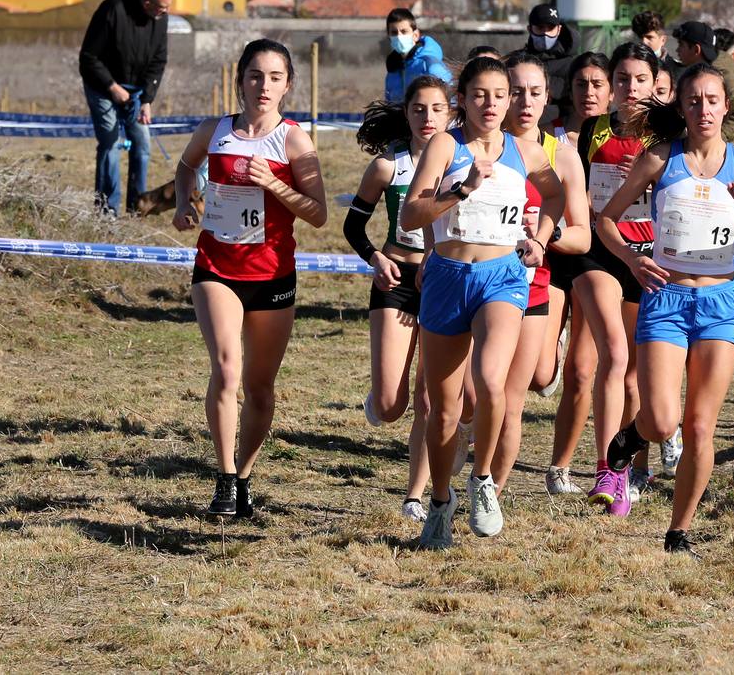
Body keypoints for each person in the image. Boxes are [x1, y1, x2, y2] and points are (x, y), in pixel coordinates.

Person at [596, 64, 734, 555]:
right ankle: (631, 437)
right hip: (665, 296)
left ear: (726, 105)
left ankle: (678, 531)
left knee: (701, 425)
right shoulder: (659, 159)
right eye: (694, 101)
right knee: (664, 421)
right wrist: (634, 259)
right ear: (682, 108)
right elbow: (605, 219)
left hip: (719, 301)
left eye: (712, 100)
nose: (704, 109)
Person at [399, 56, 563, 550]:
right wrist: (461, 189)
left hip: (503, 277)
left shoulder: (526, 151)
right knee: (443, 410)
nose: (491, 105)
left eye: (500, 95)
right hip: (449, 276)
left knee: (492, 383)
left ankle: (484, 480)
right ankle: (442, 501)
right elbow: (411, 213)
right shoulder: (445, 145)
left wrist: (541, 239)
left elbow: (556, 197)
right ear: (463, 100)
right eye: (479, 95)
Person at [173, 39, 328, 517]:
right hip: (217, 267)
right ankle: (222, 479)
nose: (264, 86)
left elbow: (319, 214)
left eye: (275, 77)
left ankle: (243, 476)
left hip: (272, 274)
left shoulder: (295, 140)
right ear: (240, 80)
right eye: (255, 75)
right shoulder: (215, 129)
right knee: (226, 369)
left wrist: (275, 184)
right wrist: (184, 200)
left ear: (288, 86)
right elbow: (185, 167)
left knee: (260, 387)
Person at [344, 76, 453, 523]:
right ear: (406, 114)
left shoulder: (460, 163)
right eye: (419, 109)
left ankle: (415, 495)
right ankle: (380, 399)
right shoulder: (389, 167)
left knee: (428, 398)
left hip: (442, 280)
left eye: (437, 109)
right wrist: (375, 259)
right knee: (393, 406)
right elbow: (353, 226)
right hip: (395, 280)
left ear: (451, 114)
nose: (427, 118)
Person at [557, 43, 658, 512]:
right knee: (613, 356)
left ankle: (635, 463)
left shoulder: (666, 138)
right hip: (598, 254)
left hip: (648, 257)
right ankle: (606, 471)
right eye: (622, 79)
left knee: (635, 373)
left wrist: (649, 180)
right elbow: (571, 192)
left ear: (655, 84)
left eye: (639, 79)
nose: (630, 88)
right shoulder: (590, 131)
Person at [490, 52, 591, 497]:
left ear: (548, 98)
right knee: (476, 395)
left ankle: (488, 491)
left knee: (525, 387)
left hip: (533, 282)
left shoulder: (562, 157)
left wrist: (543, 236)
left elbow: (583, 238)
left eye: (534, 92)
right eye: (515, 92)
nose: (524, 102)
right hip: (475, 281)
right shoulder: (477, 147)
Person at [79, 0, 172, 216]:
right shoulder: (112, 9)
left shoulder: (160, 19)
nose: (165, 12)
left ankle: (137, 208)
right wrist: (112, 87)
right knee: (110, 143)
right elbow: (89, 57)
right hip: (102, 86)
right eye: (161, 7)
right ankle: (106, 209)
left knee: (142, 145)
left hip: (136, 92)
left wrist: (147, 100)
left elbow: (158, 61)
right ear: (147, 2)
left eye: (167, 8)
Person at [672, 21, 734, 141]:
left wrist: (712, 140)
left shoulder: (725, 77)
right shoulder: (688, 74)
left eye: (681, 45)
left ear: (696, 50)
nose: (677, 50)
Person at [383, 7, 452, 103]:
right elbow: (388, 104)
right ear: (389, 37)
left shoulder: (429, 65)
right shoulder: (392, 70)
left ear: (415, 35)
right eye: (394, 33)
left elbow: (450, 102)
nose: (399, 36)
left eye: (404, 31)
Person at [547, 52, 611, 147]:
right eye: (581, 85)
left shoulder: (628, 138)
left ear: (612, 92)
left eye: (597, 85)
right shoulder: (547, 136)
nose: (589, 92)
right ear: (570, 91)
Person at [522, 3, 578, 102]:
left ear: (559, 29)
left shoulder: (574, 65)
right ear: (529, 29)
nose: (545, 33)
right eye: (540, 28)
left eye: (550, 28)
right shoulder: (518, 61)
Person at [631, 9, 681, 75]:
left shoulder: (678, 71)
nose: (643, 42)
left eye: (649, 37)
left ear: (663, 40)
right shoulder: (624, 67)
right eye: (640, 37)